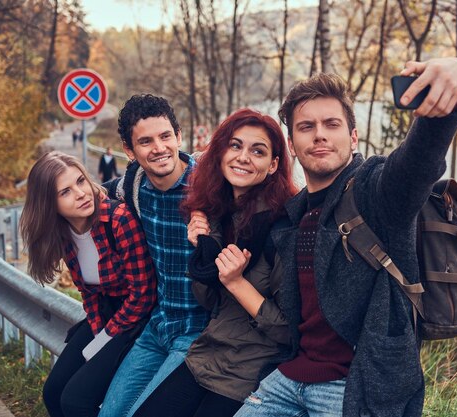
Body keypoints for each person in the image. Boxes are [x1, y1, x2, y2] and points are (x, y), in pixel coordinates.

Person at [233, 57, 457, 417]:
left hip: (356, 386)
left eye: (332, 124)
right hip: (288, 378)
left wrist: (451, 90)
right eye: (306, 127)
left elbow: (418, 162)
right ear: (292, 146)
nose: (320, 134)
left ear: (353, 137)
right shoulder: (294, 214)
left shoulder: (375, 193)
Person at [131, 108, 299, 417]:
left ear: (274, 165)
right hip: (208, 354)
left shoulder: (283, 228)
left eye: (257, 151)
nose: (243, 157)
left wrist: (236, 282)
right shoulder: (220, 215)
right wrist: (203, 247)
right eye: (235, 145)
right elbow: (210, 301)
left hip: (252, 368)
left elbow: (289, 331)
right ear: (220, 153)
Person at [19, 151, 156, 417]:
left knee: (76, 401)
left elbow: (144, 294)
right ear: (49, 205)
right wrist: (96, 329)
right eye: (65, 192)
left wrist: (105, 336)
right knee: (53, 392)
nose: (81, 194)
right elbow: (87, 292)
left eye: (81, 181)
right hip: (106, 313)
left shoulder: (118, 219)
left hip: (138, 318)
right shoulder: (63, 233)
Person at [99, 95, 209, 417]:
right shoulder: (134, 185)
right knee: (109, 413)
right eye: (145, 142)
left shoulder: (209, 184)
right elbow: (96, 194)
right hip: (158, 326)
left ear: (178, 136)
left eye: (165, 137)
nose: (158, 148)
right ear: (129, 151)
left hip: (198, 333)